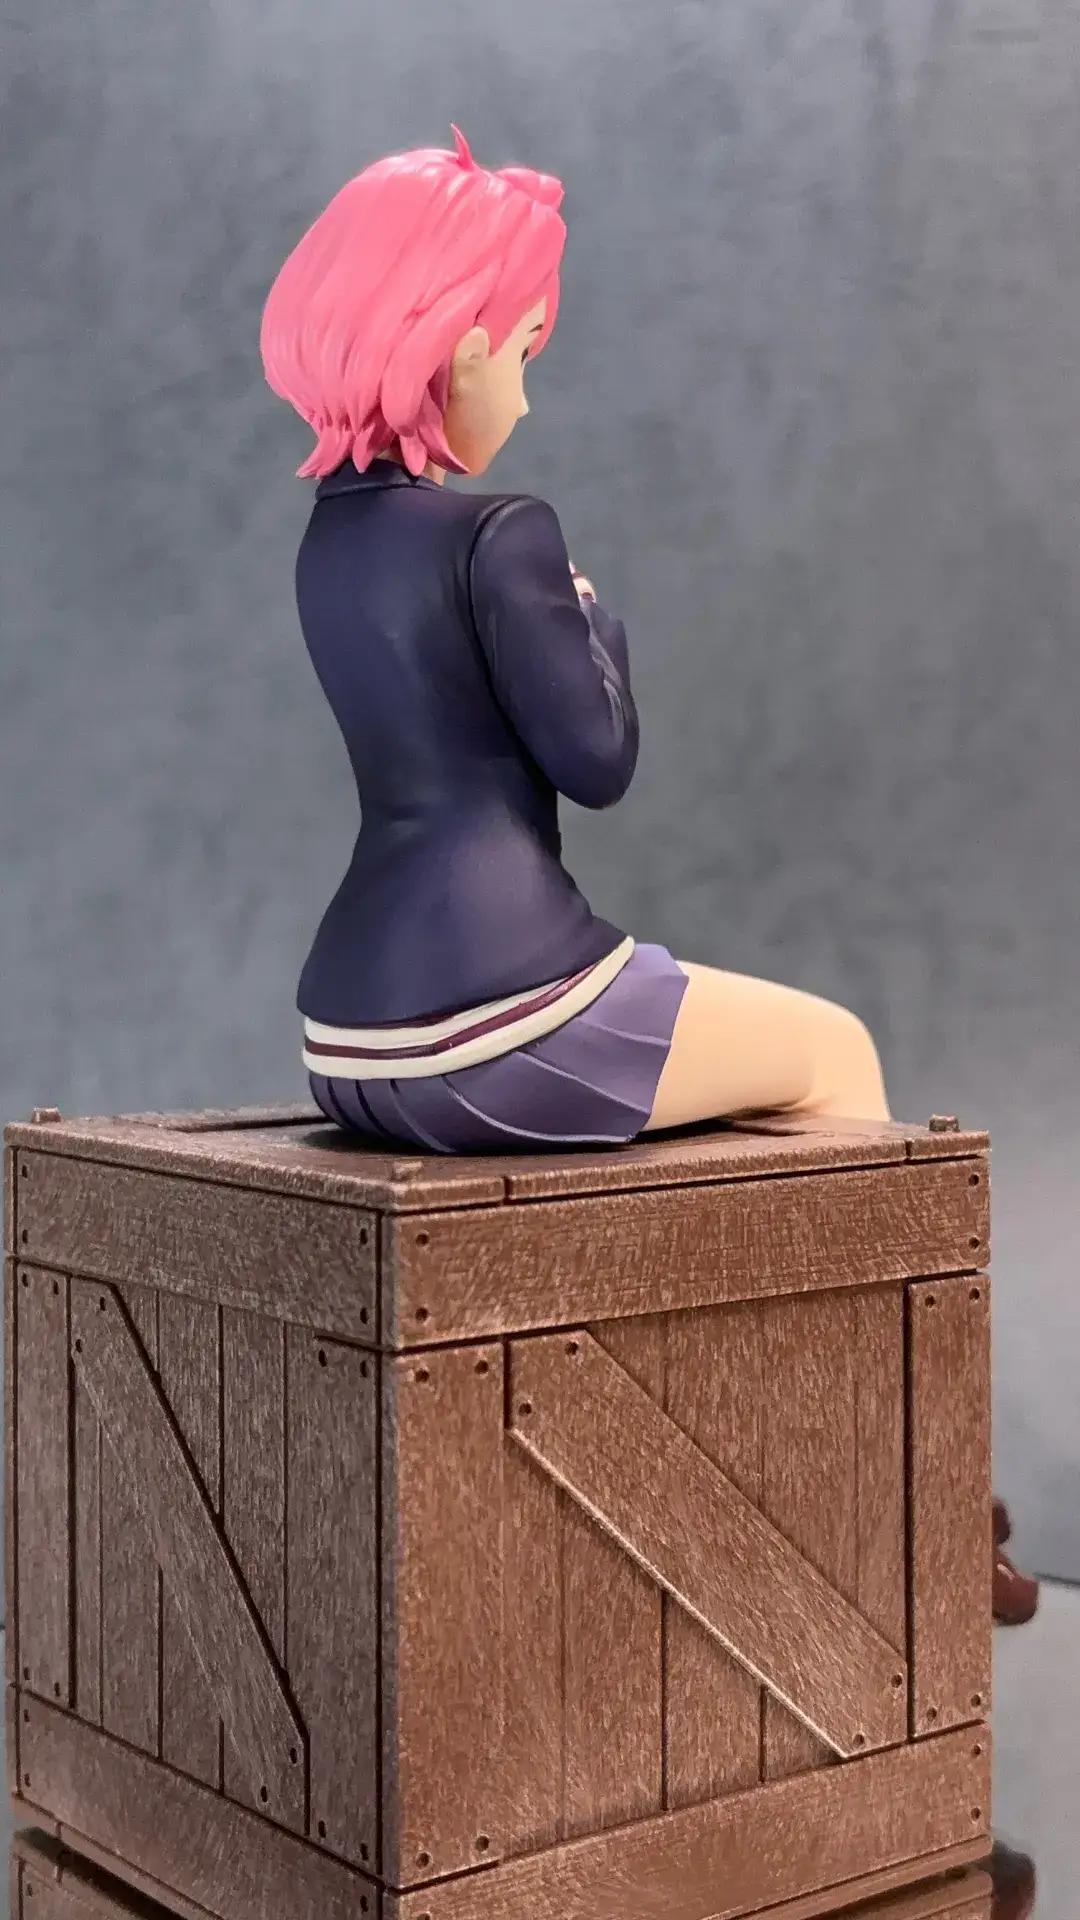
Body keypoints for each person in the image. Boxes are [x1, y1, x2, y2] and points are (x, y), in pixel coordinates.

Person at [261, 128, 1038, 1621]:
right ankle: (896, 1476)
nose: (528, 389)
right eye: (524, 350)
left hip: (350, 1028)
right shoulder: (505, 532)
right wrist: (592, 622)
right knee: (831, 1055)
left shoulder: (330, 540)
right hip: (500, 1010)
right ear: (458, 342)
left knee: (733, 1092)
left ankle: (851, 1443)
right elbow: (599, 760)